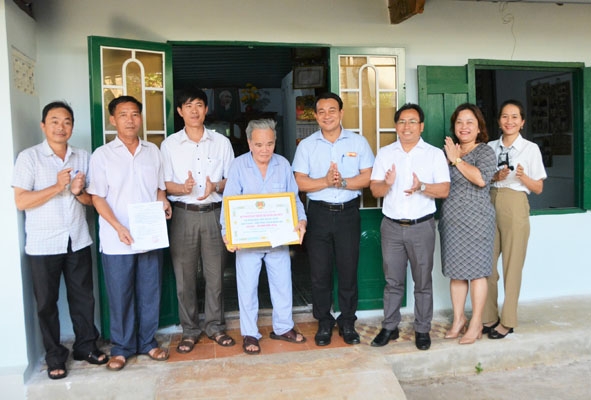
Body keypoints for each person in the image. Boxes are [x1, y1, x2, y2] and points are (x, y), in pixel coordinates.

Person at [12, 101, 108, 380]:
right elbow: (21, 201)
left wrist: (78, 192)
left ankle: (86, 347)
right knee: (46, 303)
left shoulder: (83, 156)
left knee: (83, 299)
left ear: (72, 126)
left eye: (66, 121)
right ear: (44, 125)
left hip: (77, 238)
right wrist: (57, 187)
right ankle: (55, 356)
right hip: (43, 244)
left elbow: (93, 199)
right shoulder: (29, 158)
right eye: (54, 121)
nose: (60, 127)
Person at [87, 96, 172, 371]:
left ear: (141, 118)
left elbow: (159, 189)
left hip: (149, 235)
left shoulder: (153, 152)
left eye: (135, 114)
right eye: (123, 115)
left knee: (149, 291)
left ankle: (148, 343)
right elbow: (97, 197)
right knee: (120, 294)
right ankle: (121, 348)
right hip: (117, 239)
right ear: (113, 120)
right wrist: (118, 226)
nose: (130, 119)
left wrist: (164, 202)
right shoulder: (102, 155)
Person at [292, 92, 374, 346]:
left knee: (348, 270)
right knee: (319, 273)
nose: (327, 115)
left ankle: (347, 321)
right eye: (322, 111)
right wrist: (325, 182)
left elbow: (369, 176)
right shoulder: (306, 145)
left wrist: (345, 182)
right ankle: (324, 322)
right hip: (318, 215)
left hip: (348, 213)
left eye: (332, 110)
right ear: (316, 116)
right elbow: (300, 182)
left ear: (341, 113)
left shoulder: (358, 143)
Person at [221, 119, 307, 355]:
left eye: (269, 144)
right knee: (247, 287)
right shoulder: (238, 166)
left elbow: (294, 198)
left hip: (278, 238)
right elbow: (228, 203)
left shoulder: (283, 164)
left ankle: (283, 327)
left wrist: (301, 221)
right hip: (248, 241)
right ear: (249, 143)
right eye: (259, 144)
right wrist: (227, 233)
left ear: (275, 142)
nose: (264, 150)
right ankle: (250, 333)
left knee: (282, 283)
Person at [369, 103, 450, 350]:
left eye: (412, 121)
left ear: (421, 126)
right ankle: (390, 326)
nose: (407, 127)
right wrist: (387, 183)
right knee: (392, 281)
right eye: (402, 122)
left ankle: (422, 329)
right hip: (391, 227)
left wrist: (422, 187)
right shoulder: (385, 153)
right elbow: (375, 190)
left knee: (422, 282)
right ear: (396, 126)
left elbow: (444, 189)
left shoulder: (434, 154)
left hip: (421, 227)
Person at [160, 87, 235, 353]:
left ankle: (215, 327)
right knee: (185, 277)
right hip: (183, 215)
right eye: (188, 105)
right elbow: (164, 184)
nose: (194, 110)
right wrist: (181, 188)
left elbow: (232, 181)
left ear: (206, 110)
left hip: (215, 214)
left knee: (216, 276)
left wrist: (216, 184)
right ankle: (189, 330)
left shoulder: (221, 142)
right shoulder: (169, 144)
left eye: (199, 105)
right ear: (180, 111)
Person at [483, 99, 547, 339]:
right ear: (499, 120)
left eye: (514, 117)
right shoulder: (490, 147)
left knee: (512, 265)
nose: (509, 121)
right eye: (504, 116)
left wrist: (522, 177)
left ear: (522, 122)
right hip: (490, 201)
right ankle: (488, 316)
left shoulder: (530, 149)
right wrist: (494, 177)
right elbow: (483, 178)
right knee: (486, 266)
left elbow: (538, 187)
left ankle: (507, 320)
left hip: (515, 203)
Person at [438, 103, 496, 345]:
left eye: (470, 122)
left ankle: (476, 324)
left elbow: (481, 180)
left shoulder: (485, 152)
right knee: (456, 274)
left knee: (478, 274)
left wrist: (457, 160)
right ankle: (458, 319)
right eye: (460, 122)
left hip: (478, 221)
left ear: (478, 127)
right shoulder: (448, 152)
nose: (464, 127)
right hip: (452, 221)